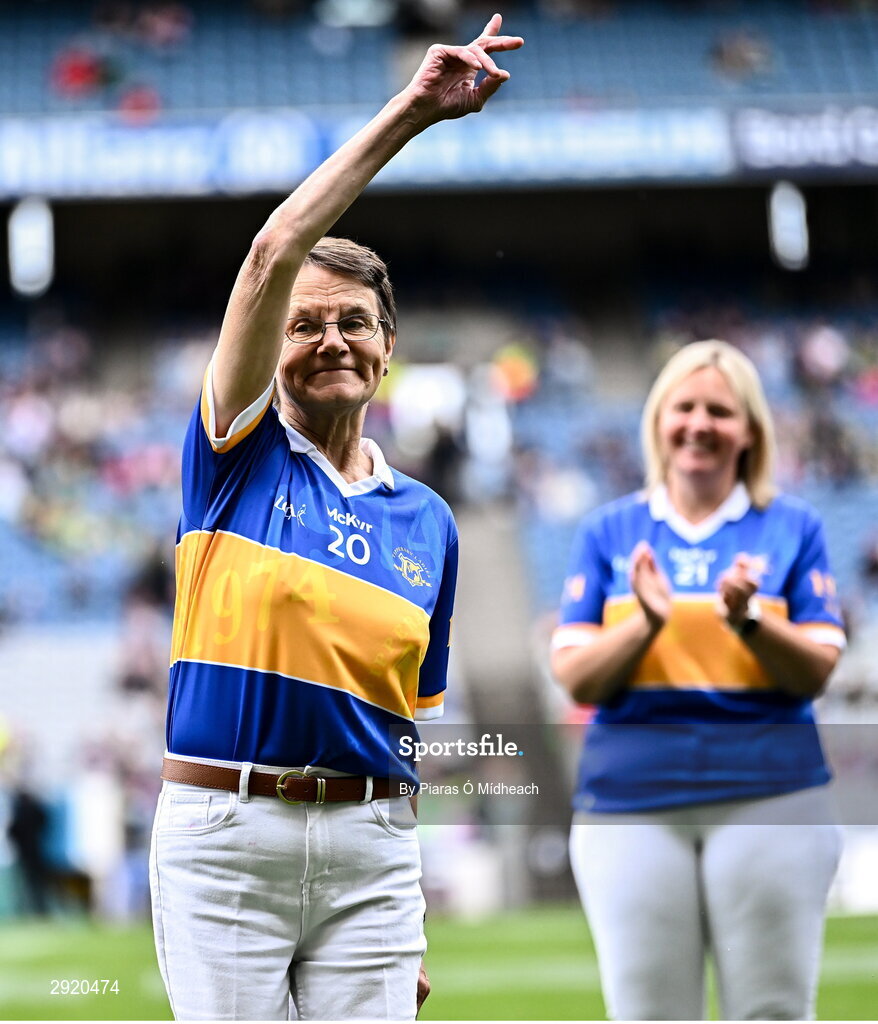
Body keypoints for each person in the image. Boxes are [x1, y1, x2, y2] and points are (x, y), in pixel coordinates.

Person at [148, 15, 523, 1022]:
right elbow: (275, 251)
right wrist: (412, 112)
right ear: (273, 346)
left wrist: (400, 907)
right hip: (225, 838)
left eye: (352, 320)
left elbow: (403, 732)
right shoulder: (232, 456)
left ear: (387, 347)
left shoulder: (429, 522)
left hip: (370, 857)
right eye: (306, 321)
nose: (329, 338)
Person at [551, 340, 845, 1021]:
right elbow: (577, 678)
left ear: (749, 430)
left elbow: (817, 671)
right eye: (684, 406)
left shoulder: (795, 525)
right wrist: (644, 624)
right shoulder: (608, 530)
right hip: (629, 805)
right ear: (658, 420)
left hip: (774, 797)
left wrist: (748, 621)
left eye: (720, 410)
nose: (700, 423)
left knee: (771, 1013)